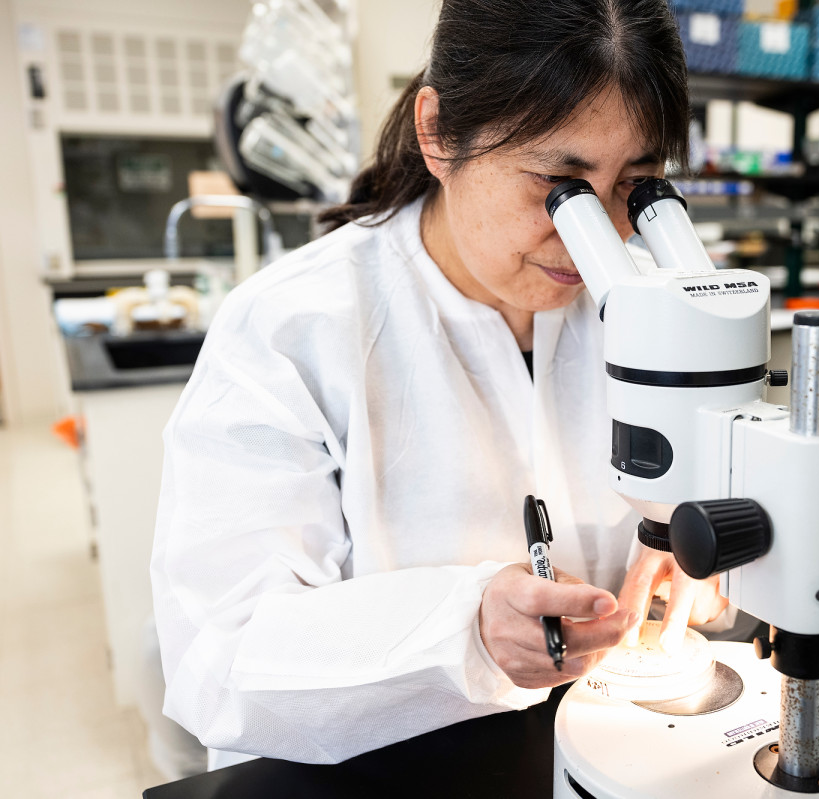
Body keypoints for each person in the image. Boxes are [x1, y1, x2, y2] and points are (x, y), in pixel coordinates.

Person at [150, 0, 730, 769]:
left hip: (595, 745)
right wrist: (468, 631)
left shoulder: (649, 300)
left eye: (638, 183)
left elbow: (710, 482)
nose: (600, 236)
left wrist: (682, 537)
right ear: (437, 134)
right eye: (560, 183)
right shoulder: (293, 328)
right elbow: (219, 660)